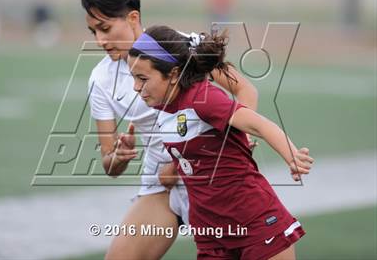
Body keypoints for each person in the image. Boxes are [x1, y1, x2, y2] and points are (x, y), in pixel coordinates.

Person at [81, 0, 259, 259]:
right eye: (93, 32)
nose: (100, 40)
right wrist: (118, 156)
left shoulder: (180, 47)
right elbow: (109, 164)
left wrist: (242, 136)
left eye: (105, 28)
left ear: (132, 17)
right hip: (161, 185)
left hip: (211, 177)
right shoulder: (100, 79)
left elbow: (245, 91)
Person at [127, 25, 314, 260]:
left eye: (142, 78)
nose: (135, 87)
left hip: (256, 222)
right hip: (211, 235)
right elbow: (191, 154)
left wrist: (292, 156)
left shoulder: (203, 98)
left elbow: (260, 125)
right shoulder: (162, 110)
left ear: (173, 74)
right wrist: (171, 171)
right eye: (132, 77)